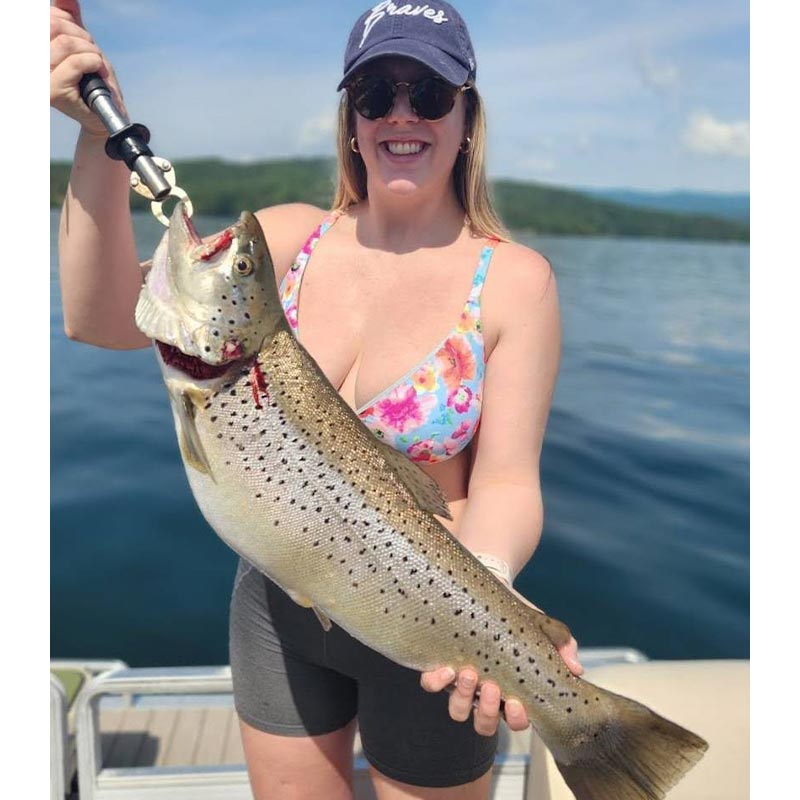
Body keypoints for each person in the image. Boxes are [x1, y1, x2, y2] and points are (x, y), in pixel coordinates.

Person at [51, 1, 583, 797]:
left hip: (432, 624)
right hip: (276, 609)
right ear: (352, 119)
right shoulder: (286, 241)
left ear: (467, 114)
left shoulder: (516, 281)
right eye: (376, 93)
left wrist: (493, 582)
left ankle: (598, 735)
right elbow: (96, 318)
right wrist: (98, 139)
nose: (401, 114)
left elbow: (506, 481)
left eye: (428, 93)